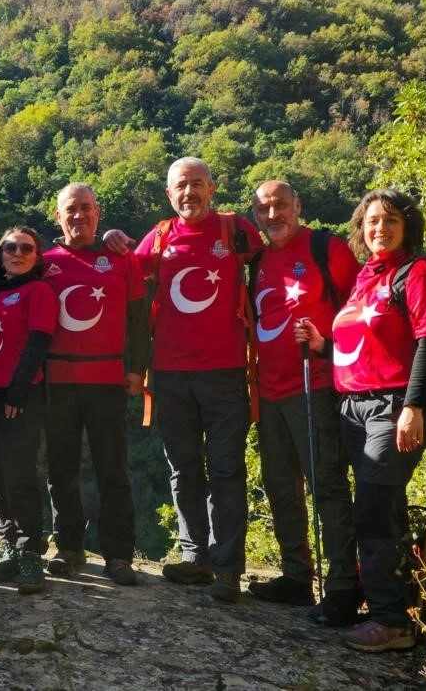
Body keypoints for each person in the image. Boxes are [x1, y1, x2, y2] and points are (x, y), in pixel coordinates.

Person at [107, 157, 264, 602]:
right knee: (183, 468)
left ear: (212, 189)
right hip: (171, 374)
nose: (189, 192)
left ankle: (228, 569)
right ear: (169, 193)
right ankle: (196, 557)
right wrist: (110, 238)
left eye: (197, 183)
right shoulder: (160, 236)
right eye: (181, 185)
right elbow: (125, 274)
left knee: (227, 468)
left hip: (225, 373)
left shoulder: (235, 230)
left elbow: (270, 268)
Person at [298, 189, 426, 652]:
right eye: (373, 220)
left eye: (391, 219)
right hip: (352, 407)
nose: (381, 228)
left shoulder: (414, 273)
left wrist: (414, 407)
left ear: (407, 226)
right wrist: (322, 344)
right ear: (361, 227)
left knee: (373, 511)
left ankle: (390, 621)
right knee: (385, 508)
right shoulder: (366, 278)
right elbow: (362, 345)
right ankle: (398, 606)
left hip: (393, 407)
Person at [246, 181, 361, 622]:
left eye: (280, 205)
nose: (272, 215)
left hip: (317, 385)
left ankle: (343, 585)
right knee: (280, 486)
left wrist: (327, 346)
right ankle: (296, 576)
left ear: (298, 206)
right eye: (263, 209)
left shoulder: (325, 248)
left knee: (327, 486)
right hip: (270, 390)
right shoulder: (258, 261)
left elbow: (362, 310)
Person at [41, 183, 149, 587]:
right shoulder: (44, 262)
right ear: (58, 217)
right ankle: (68, 548)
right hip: (58, 383)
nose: (79, 216)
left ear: (98, 212)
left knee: (112, 470)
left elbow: (139, 319)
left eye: (86, 208)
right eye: (71, 209)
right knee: (61, 469)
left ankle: (118, 555)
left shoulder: (121, 259)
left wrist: (138, 368)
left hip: (107, 381)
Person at [0, 227, 57, 594]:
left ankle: (30, 549)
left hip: (17, 397)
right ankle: (8, 543)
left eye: (26, 248)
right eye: (10, 247)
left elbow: (38, 343)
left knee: (19, 473)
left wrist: (17, 392)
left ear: (37, 256)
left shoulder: (38, 291)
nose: (17, 253)